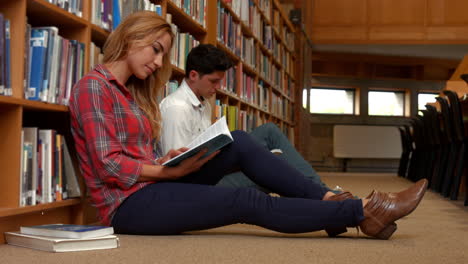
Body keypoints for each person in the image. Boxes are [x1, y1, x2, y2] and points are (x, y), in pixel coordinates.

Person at [69, 11, 428, 240]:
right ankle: (362, 211)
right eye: (156, 49)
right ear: (132, 39)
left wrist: (169, 160)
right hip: (127, 207)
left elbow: (134, 154)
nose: (160, 60)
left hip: (152, 186)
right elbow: (108, 165)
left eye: (163, 52)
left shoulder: (132, 94)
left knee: (237, 141)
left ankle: (328, 201)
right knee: (245, 200)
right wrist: (167, 174)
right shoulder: (92, 88)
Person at [160, 44, 330, 192]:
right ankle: (326, 198)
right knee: (274, 170)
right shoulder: (177, 109)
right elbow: (179, 171)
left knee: (269, 133)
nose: (218, 88)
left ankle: (324, 195)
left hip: (212, 172)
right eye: (213, 81)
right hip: (197, 186)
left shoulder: (204, 104)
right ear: (193, 75)